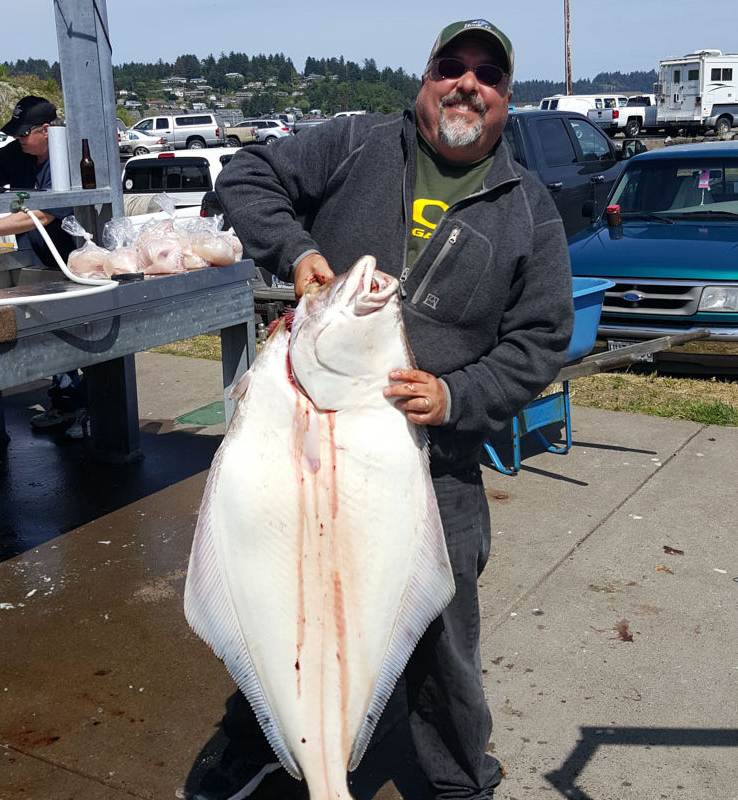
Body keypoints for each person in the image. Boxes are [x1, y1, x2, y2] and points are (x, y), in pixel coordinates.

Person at [209, 19, 574, 800]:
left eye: (488, 74)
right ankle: (264, 740)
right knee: (277, 595)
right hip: (307, 434)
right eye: (452, 66)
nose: (467, 83)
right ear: (426, 78)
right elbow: (245, 177)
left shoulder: (529, 209)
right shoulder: (355, 144)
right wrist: (298, 253)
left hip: (436, 458)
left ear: (507, 98)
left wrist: (455, 395)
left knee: (443, 637)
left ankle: (455, 777)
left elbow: (540, 340)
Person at [0, 96, 87, 438]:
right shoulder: (18, 153)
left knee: (76, 336)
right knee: (51, 335)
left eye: (24, 133)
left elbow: (45, 213)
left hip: (74, 262)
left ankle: (83, 406)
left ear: (47, 130)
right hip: (37, 262)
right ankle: (67, 402)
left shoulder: (63, 158)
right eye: (16, 133)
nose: (19, 139)